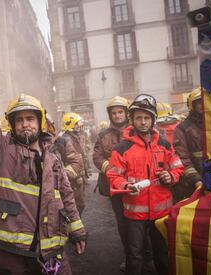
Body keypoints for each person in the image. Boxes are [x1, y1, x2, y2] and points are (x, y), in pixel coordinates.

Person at [0, 52, 87, 274]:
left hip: (52, 246)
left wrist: (77, 231)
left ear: (40, 122)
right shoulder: (2, 151)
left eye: (30, 119)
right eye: (19, 120)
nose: (24, 125)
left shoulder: (52, 157)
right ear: (13, 126)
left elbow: (67, 196)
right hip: (14, 250)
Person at [107, 94, 184, 275]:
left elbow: (178, 168)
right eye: (138, 118)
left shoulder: (165, 145)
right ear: (132, 120)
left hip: (161, 213)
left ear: (153, 120)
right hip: (134, 214)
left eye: (147, 118)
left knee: (162, 253)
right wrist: (126, 186)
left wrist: (170, 176)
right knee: (134, 255)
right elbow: (113, 176)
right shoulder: (121, 149)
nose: (143, 122)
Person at [92, 96, 132, 271]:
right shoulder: (103, 135)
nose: (117, 116)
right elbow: (97, 157)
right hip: (116, 187)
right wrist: (110, 168)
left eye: (120, 112)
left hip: (136, 186)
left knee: (141, 223)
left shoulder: (135, 130)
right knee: (123, 223)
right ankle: (130, 256)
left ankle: (145, 255)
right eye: (114, 113)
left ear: (126, 113)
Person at [173, 87, 204, 202]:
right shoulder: (183, 129)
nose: (204, 105)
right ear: (193, 105)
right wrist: (196, 180)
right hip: (193, 184)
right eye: (200, 102)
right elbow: (182, 158)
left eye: (206, 101)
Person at [58, 112, 88, 215]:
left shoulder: (74, 136)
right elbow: (71, 159)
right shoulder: (66, 139)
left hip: (78, 177)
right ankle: (73, 228)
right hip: (73, 178)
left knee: (79, 204)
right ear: (69, 124)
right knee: (77, 204)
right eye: (76, 124)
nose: (79, 126)